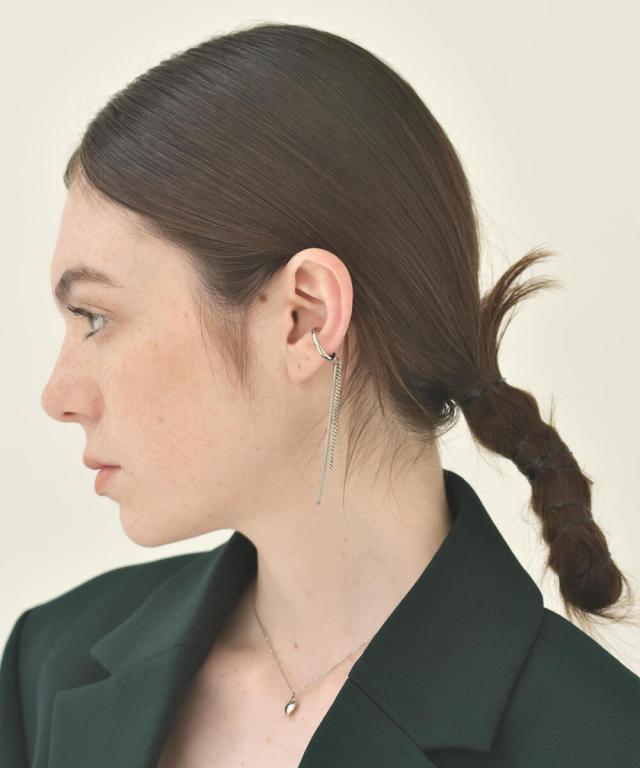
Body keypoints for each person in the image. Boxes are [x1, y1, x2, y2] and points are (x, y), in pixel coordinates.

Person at [1, 21, 639, 768]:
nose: (58, 395)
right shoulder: (51, 666)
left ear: (305, 318)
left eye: (95, 318)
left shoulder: (600, 743)